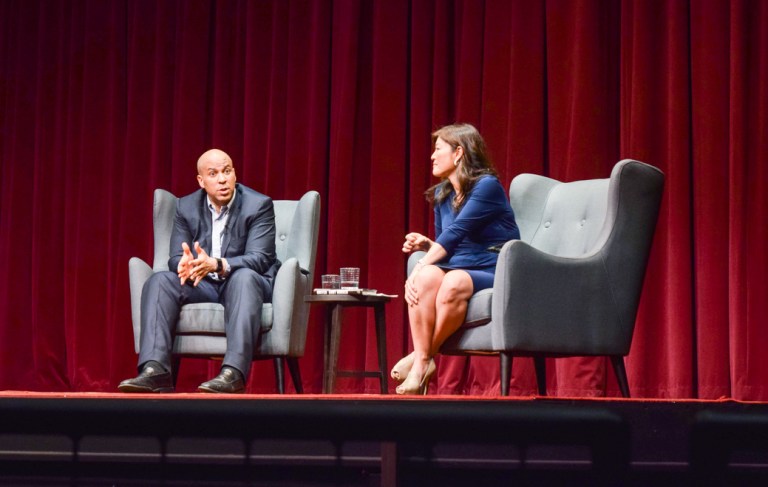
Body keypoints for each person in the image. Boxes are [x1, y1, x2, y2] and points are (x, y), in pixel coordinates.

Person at [119, 148, 279, 394]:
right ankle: (156, 370)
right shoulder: (186, 206)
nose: (222, 179)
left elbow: (261, 258)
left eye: (227, 171)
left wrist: (217, 264)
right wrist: (183, 265)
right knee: (160, 280)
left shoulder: (259, 205)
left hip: (244, 282)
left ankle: (232, 373)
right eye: (213, 174)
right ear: (201, 181)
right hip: (204, 284)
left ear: (235, 173)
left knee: (244, 277)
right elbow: (175, 257)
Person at [393, 123, 520, 395]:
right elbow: (449, 243)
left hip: (494, 267)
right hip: (462, 264)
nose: (432, 156)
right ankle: (423, 361)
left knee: (451, 281)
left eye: (438, 149)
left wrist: (419, 264)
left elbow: (457, 231)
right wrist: (428, 247)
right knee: (427, 277)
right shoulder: (442, 195)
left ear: (459, 152)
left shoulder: (488, 187)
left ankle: (421, 360)